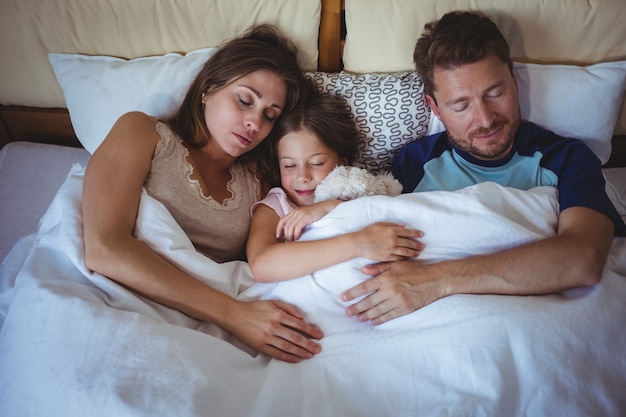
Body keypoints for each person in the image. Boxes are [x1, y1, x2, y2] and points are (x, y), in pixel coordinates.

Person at [340, 10, 626, 325]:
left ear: (515, 83)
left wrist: (439, 280)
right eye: (461, 105)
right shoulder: (414, 163)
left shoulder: (566, 158)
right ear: (434, 107)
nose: (486, 119)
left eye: (495, 93)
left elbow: (582, 260)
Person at [82, 24, 324, 363]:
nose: (254, 122)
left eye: (270, 115)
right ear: (208, 89)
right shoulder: (142, 132)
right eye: (244, 100)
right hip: (120, 298)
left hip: (201, 324)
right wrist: (234, 315)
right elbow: (104, 249)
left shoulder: (261, 181)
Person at [246, 83, 423, 283]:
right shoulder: (277, 207)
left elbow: (385, 218)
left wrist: (331, 206)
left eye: (316, 163)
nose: (302, 176)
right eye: (288, 165)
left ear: (342, 162)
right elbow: (262, 265)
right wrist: (358, 243)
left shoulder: (355, 191)